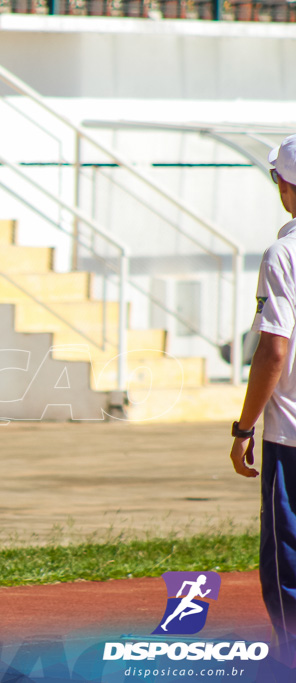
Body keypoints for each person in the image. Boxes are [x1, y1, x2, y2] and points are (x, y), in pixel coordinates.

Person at [230, 133, 296, 666]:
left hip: (291, 434)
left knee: (287, 562)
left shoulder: (284, 252)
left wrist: (244, 426)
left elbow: (274, 348)